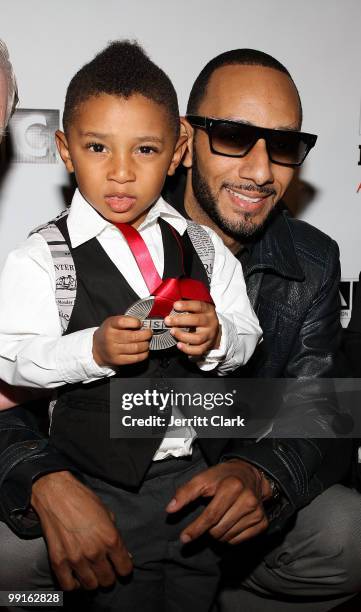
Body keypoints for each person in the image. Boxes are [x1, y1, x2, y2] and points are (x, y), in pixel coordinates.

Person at [0, 47, 360, 612]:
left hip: (208, 484)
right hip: (104, 475)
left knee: (346, 532)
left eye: (283, 145)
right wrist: (46, 480)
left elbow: (322, 404)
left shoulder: (309, 260)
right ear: (189, 144)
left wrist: (263, 472)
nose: (261, 170)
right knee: (16, 565)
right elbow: (14, 385)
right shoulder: (63, 246)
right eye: (234, 136)